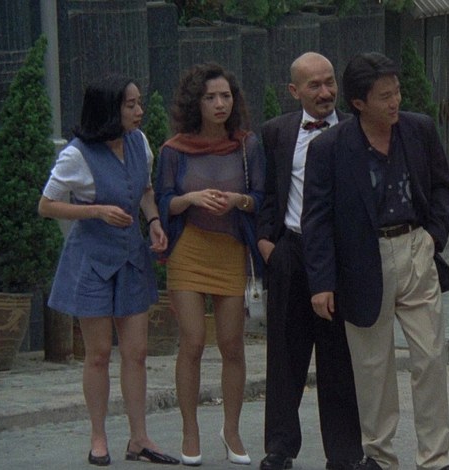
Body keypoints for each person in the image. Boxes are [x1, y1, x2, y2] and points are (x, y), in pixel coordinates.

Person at [301, 51, 449, 470]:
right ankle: (380, 455)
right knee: (372, 365)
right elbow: (316, 219)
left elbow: (443, 188)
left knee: (430, 356)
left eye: (397, 92)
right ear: (359, 102)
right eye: (384, 96)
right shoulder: (330, 148)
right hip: (362, 259)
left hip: (415, 246)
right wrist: (321, 282)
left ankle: (436, 457)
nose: (395, 102)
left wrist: (433, 237)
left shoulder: (419, 129)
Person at [38, 74, 179, 466]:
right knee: (98, 353)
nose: (139, 111)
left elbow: (145, 190)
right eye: (130, 105)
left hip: (131, 256)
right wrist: (96, 210)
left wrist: (153, 221)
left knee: (136, 352)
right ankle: (98, 437)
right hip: (93, 260)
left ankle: (140, 439)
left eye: (139, 103)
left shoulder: (139, 143)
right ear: (108, 110)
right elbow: (47, 205)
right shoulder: (78, 155)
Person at [256, 52, 363, 470]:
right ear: (294, 90)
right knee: (285, 356)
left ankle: (344, 454)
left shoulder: (356, 131)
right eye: (314, 85)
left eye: (329, 82)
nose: (325, 92)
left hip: (340, 258)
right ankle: (279, 448)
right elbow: (268, 191)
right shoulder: (277, 132)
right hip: (292, 253)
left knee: (339, 359)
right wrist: (268, 244)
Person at [155, 62, 264, 466]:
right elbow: (163, 202)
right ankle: (190, 430)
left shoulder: (247, 146)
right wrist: (191, 199)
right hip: (189, 249)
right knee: (194, 341)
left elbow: (261, 198)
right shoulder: (174, 150)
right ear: (195, 103)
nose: (220, 104)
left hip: (231, 249)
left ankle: (231, 430)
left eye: (226, 96)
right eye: (210, 97)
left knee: (232, 343)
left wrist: (238, 201)